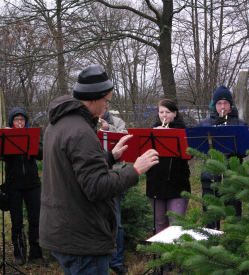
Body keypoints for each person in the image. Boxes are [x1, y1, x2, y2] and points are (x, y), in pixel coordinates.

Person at [40, 65, 159, 275]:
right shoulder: (81, 131)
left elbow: (71, 168)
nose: (107, 106)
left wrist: (109, 156)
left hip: (63, 230)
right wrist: (136, 170)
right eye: (106, 100)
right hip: (83, 237)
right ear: (93, 99)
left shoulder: (57, 124)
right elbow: (97, 187)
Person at [198, 85, 248, 226]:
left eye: (225, 103)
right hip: (210, 179)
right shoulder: (204, 124)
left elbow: (245, 152)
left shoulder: (240, 124)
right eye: (219, 103)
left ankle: (232, 245)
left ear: (231, 105)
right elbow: (198, 150)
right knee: (210, 221)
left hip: (232, 180)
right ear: (214, 105)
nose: (222, 106)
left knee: (234, 219)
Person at [3, 107, 46, 267]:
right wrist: (8, 140)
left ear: (26, 122)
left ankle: (36, 254)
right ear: (11, 122)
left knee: (35, 219)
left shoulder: (32, 135)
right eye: (16, 120)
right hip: (14, 184)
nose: (19, 123)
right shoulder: (7, 136)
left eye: (22, 119)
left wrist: (31, 145)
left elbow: (41, 154)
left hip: (32, 184)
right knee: (16, 221)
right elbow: (3, 156)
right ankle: (19, 254)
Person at [147, 99, 191, 234]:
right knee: (159, 222)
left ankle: (176, 253)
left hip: (177, 183)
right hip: (156, 182)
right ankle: (162, 254)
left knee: (176, 223)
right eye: (161, 112)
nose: (164, 115)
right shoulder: (151, 131)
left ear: (175, 113)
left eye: (168, 112)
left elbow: (190, 154)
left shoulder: (184, 131)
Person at [99, 110, 129, 275]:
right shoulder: (86, 121)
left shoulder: (118, 122)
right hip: (95, 175)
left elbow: (125, 138)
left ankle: (116, 261)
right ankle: (101, 258)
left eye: (106, 102)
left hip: (114, 175)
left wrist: (108, 127)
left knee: (116, 222)